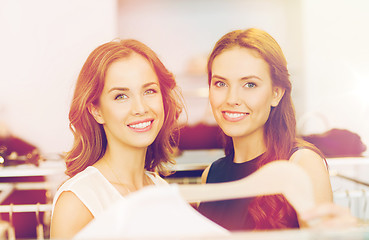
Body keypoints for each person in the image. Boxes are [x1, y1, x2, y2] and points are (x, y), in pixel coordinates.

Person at [197, 28, 333, 231]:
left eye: (250, 84)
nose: (231, 99)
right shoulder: (210, 176)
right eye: (220, 83)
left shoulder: (302, 164)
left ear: (276, 93)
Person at [50, 39, 183, 239]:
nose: (140, 108)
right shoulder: (78, 201)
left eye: (149, 91)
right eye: (121, 96)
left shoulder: (161, 190)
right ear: (96, 111)